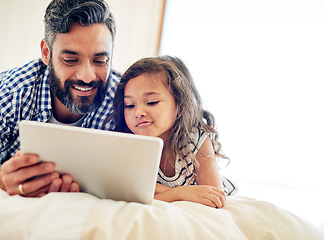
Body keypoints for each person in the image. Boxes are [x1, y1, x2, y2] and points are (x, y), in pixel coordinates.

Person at [0, 0, 120, 197]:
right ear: (46, 53)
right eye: (71, 60)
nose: (87, 76)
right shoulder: (10, 93)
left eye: (100, 61)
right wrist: (3, 180)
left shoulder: (127, 101)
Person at [108, 56, 231, 208]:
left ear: (180, 106)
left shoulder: (196, 140)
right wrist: (180, 193)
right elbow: (135, 195)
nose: (138, 112)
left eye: (152, 102)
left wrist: (160, 191)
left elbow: (213, 198)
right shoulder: (131, 143)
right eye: (129, 105)